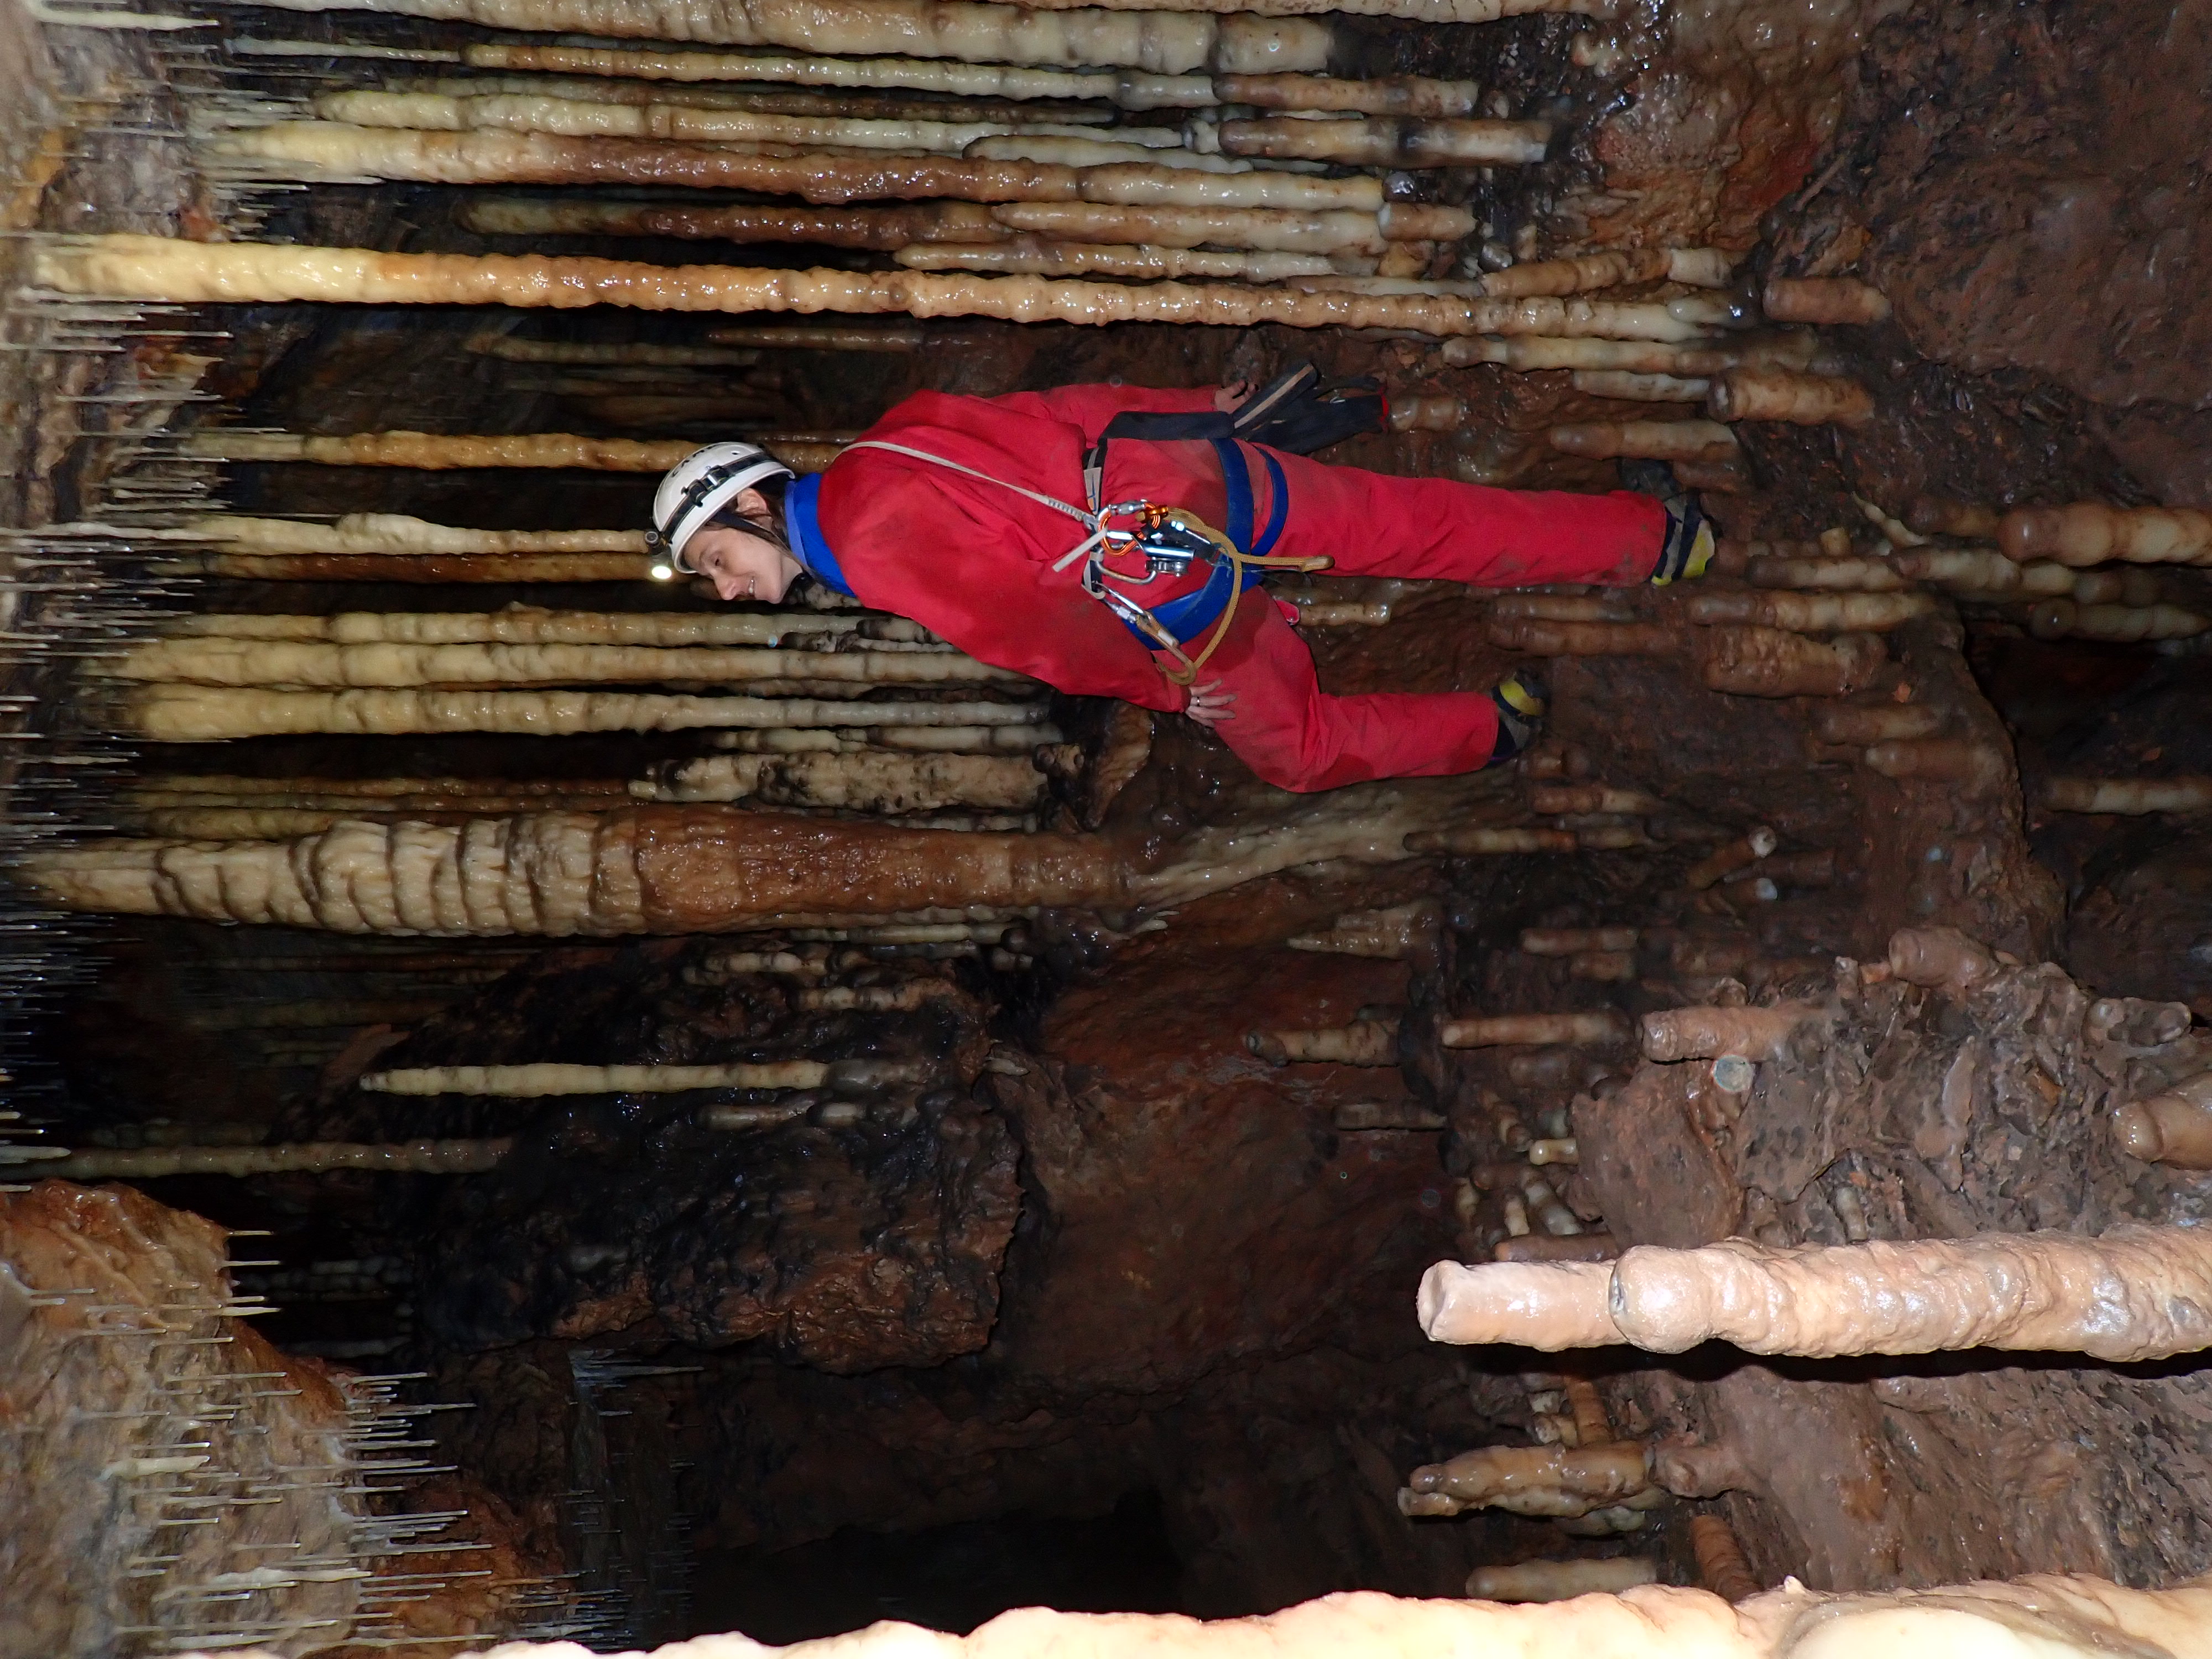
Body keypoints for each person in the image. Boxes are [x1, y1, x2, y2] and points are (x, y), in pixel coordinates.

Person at [646, 378, 1712, 794]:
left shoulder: (869, 541)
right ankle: (1663, 539)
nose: (730, 589)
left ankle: (1498, 729)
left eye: (715, 564)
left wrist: (1165, 690)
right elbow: (1061, 409)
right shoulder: (887, 439)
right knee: (1428, 523)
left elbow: (1036, 629)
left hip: (1175, 587)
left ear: (747, 506)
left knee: (1295, 753)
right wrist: (1198, 403)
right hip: (1191, 481)